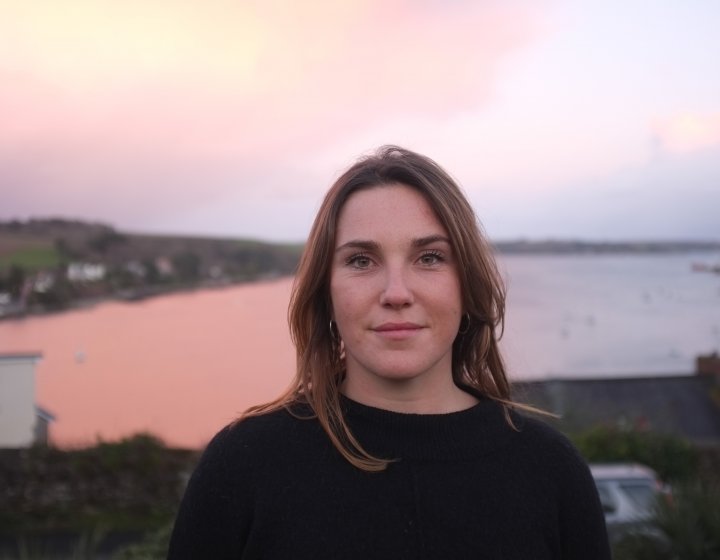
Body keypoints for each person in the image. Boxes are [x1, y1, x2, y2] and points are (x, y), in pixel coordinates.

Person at [167, 146, 611, 559]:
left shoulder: (550, 471)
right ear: (326, 293)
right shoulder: (243, 466)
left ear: (467, 283)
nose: (396, 293)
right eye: (361, 261)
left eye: (430, 257)